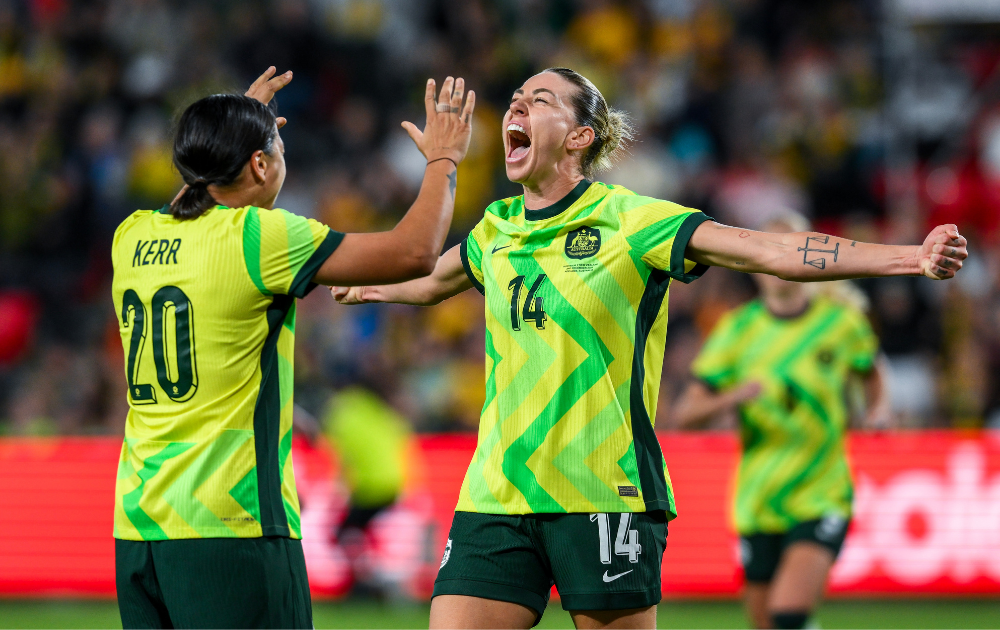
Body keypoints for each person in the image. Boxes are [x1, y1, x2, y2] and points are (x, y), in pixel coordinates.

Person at [331, 67, 967, 630]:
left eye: (541, 100)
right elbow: (430, 278)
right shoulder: (493, 229)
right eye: (518, 99)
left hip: (603, 492)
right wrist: (359, 278)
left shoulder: (634, 222)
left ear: (581, 136)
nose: (518, 108)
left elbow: (771, 251)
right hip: (496, 492)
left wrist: (910, 257)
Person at [110, 67, 474, 628]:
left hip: (137, 530)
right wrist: (443, 159)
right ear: (259, 164)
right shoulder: (259, 237)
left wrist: (234, 131)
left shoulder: (131, 236)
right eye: (276, 147)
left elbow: (194, 192)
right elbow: (415, 254)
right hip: (232, 525)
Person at [671, 213, 891, 630]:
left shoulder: (841, 322)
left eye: (791, 251)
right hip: (758, 497)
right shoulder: (737, 331)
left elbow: (873, 370)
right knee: (766, 624)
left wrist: (878, 409)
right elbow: (685, 416)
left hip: (820, 490)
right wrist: (733, 396)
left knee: (788, 614)